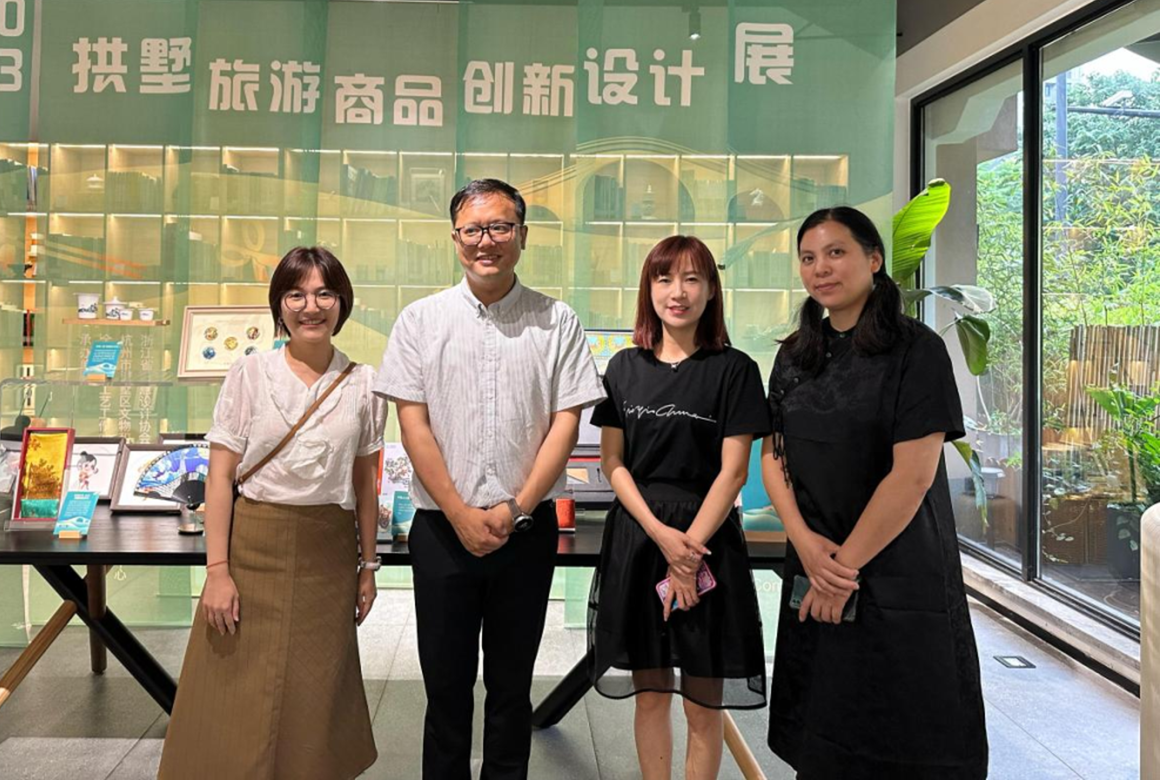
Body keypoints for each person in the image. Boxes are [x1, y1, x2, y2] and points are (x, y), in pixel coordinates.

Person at [374, 178, 606, 780]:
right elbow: (413, 426)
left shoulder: (557, 320)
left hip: (525, 533)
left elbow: (565, 424)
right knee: (445, 689)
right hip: (440, 531)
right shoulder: (420, 320)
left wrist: (516, 507)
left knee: (511, 688)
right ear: (455, 238)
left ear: (522, 235)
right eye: (473, 229)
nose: (486, 241)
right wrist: (458, 511)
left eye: (500, 227)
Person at [762, 206, 988, 780]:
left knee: (899, 735)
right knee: (821, 729)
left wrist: (840, 571)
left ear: (874, 259)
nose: (821, 268)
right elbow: (773, 456)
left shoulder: (916, 350)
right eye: (808, 258)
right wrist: (806, 546)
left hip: (894, 566)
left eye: (836, 252)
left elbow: (912, 477)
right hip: (815, 560)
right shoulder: (795, 354)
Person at [159, 246, 387, 780]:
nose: (311, 307)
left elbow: (364, 483)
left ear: (342, 302)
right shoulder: (249, 373)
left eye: (324, 293)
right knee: (232, 685)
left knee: (317, 688)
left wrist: (369, 567)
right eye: (296, 295)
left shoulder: (365, 384)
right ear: (279, 305)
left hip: (327, 552)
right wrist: (217, 571)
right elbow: (220, 477)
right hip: (253, 546)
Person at [589, 235, 770, 780]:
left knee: (701, 701)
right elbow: (613, 462)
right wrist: (662, 537)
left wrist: (688, 552)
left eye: (693, 279)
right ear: (648, 289)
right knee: (650, 694)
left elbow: (733, 472)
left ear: (711, 290)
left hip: (708, 541)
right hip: (640, 540)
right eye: (665, 278)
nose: (678, 292)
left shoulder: (735, 369)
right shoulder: (624, 367)